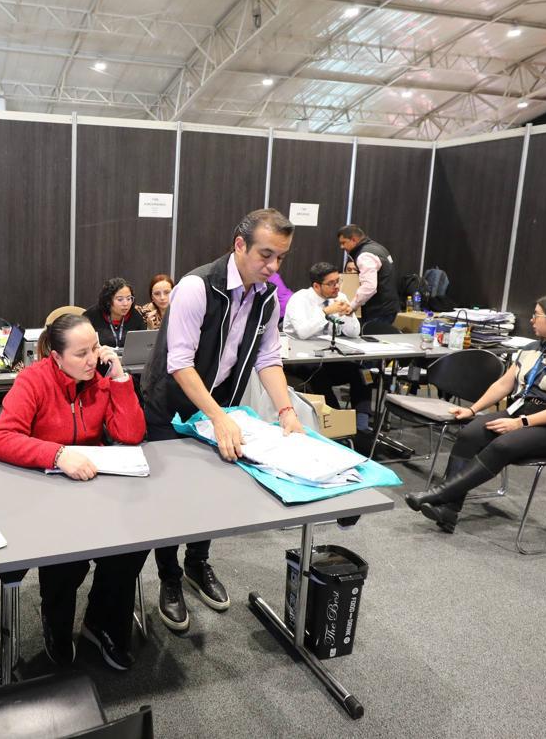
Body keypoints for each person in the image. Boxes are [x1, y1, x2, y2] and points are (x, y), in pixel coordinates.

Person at [141, 208, 305, 632]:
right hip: (169, 406)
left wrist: (287, 412)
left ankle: (197, 563)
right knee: (171, 496)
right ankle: (170, 578)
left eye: (281, 258)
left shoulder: (267, 297)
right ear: (239, 245)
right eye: (266, 255)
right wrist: (216, 418)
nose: (273, 266)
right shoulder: (197, 287)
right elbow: (180, 362)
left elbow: (268, 358)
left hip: (219, 406)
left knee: (211, 491)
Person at [0, 313, 148, 670]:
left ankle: (101, 622)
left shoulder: (100, 380)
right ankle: (56, 622)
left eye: (95, 348)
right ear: (56, 357)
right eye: (81, 353)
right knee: (66, 561)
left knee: (131, 548)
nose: (92, 359)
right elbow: (1, 438)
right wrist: (57, 454)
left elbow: (131, 434)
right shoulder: (33, 380)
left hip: (95, 488)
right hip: (48, 491)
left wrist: (120, 378)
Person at [404, 293, 546, 533]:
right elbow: (503, 384)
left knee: (502, 445)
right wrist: (472, 409)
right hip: (521, 412)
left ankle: (439, 495)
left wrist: (521, 423)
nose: (531, 319)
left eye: (537, 315)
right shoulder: (532, 350)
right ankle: (449, 510)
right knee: (470, 434)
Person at [283, 261, 374, 450]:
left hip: (329, 356)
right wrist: (325, 312)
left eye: (338, 281)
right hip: (300, 359)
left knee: (362, 373)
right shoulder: (300, 300)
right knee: (319, 375)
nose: (337, 287)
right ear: (317, 286)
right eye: (331, 283)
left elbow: (353, 333)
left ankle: (361, 426)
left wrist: (348, 315)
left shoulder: (340, 297)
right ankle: (337, 427)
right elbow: (303, 332)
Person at [336, 224, 400, 332]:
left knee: (372, 340)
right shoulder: (378, 248)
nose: (341, 247)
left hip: (378, 309)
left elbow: (369, 287)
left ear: (353, 239)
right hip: (388, 307)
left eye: (343, 242)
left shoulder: (364, 256)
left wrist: (352, 306)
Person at [85, 276, 148, 348]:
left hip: (128, 355)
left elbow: (143, 344)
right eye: (120, 299)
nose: (126, 304)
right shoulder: (91, 316)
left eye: (129, 298)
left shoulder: (135, 316)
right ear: (108, 301)